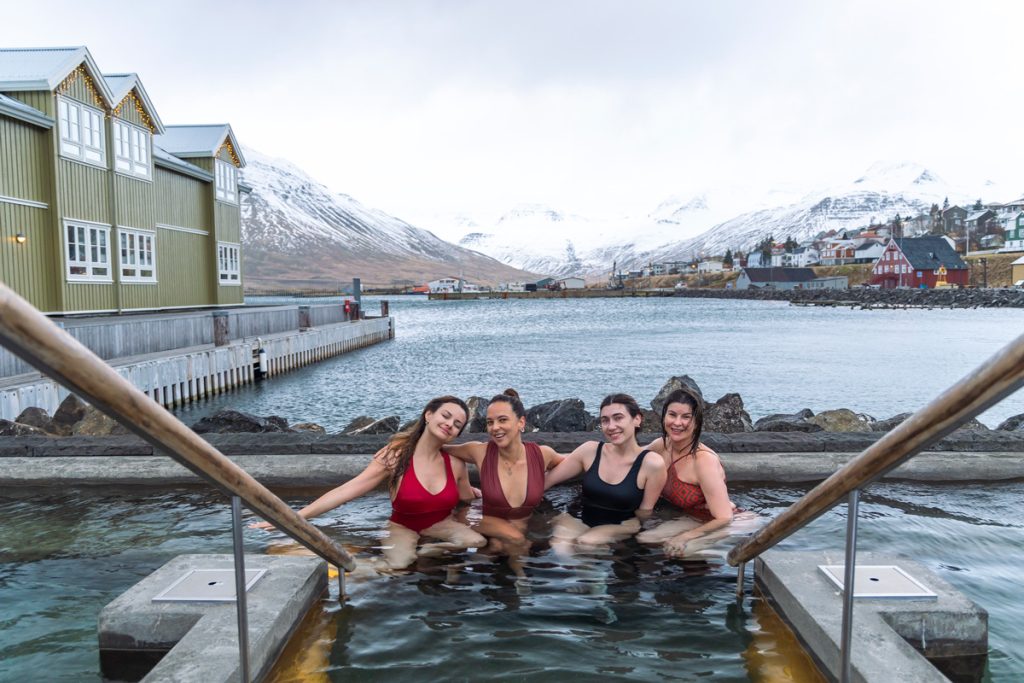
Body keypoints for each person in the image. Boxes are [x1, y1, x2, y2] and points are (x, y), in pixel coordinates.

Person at [251, 396, 485, 569]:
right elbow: (348, 490)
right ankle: (352, 569)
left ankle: (431, 550)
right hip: (403, 526)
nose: (450, 424)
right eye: (446, 416)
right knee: (399, 566)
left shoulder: (455, 464)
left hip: (440, 525)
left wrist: (482, 494)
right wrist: (293, 517)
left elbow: (466, 498)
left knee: (477, 540)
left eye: (457, 424)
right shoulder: (396, 456)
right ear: (428, 415)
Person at [544, 393, 667, 554]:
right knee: (560, 548)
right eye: (605, 420)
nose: (610, 426)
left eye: (618, 418)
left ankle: (600, 576)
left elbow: (645, 513)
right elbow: (547, 481)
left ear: (637, 419)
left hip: (623, 524)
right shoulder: (589, 451)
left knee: (587, 543)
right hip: (582, 517)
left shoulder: (652, 464)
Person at [446, 389, 563, 550]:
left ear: (521, 423)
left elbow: (572, 465)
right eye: (489, 422)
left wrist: (544, 482)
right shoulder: (480, 452)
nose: (495, 427)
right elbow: (439, 448)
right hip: (487, 525)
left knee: (499, 546)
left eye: (502, 420)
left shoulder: (542, 455)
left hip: (520, 528)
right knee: (507, 544)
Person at [638, 387, 749, 558]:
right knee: (646, 538)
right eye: (672, 415)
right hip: (692, 517)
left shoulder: (704, 462)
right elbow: (630, 457)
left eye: (686, 417)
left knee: (680, 551)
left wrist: (685, 536)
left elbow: (724, 517)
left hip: (724, 522)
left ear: (696, 421)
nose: (677, 423)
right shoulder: (661, 445)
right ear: (664, 417)